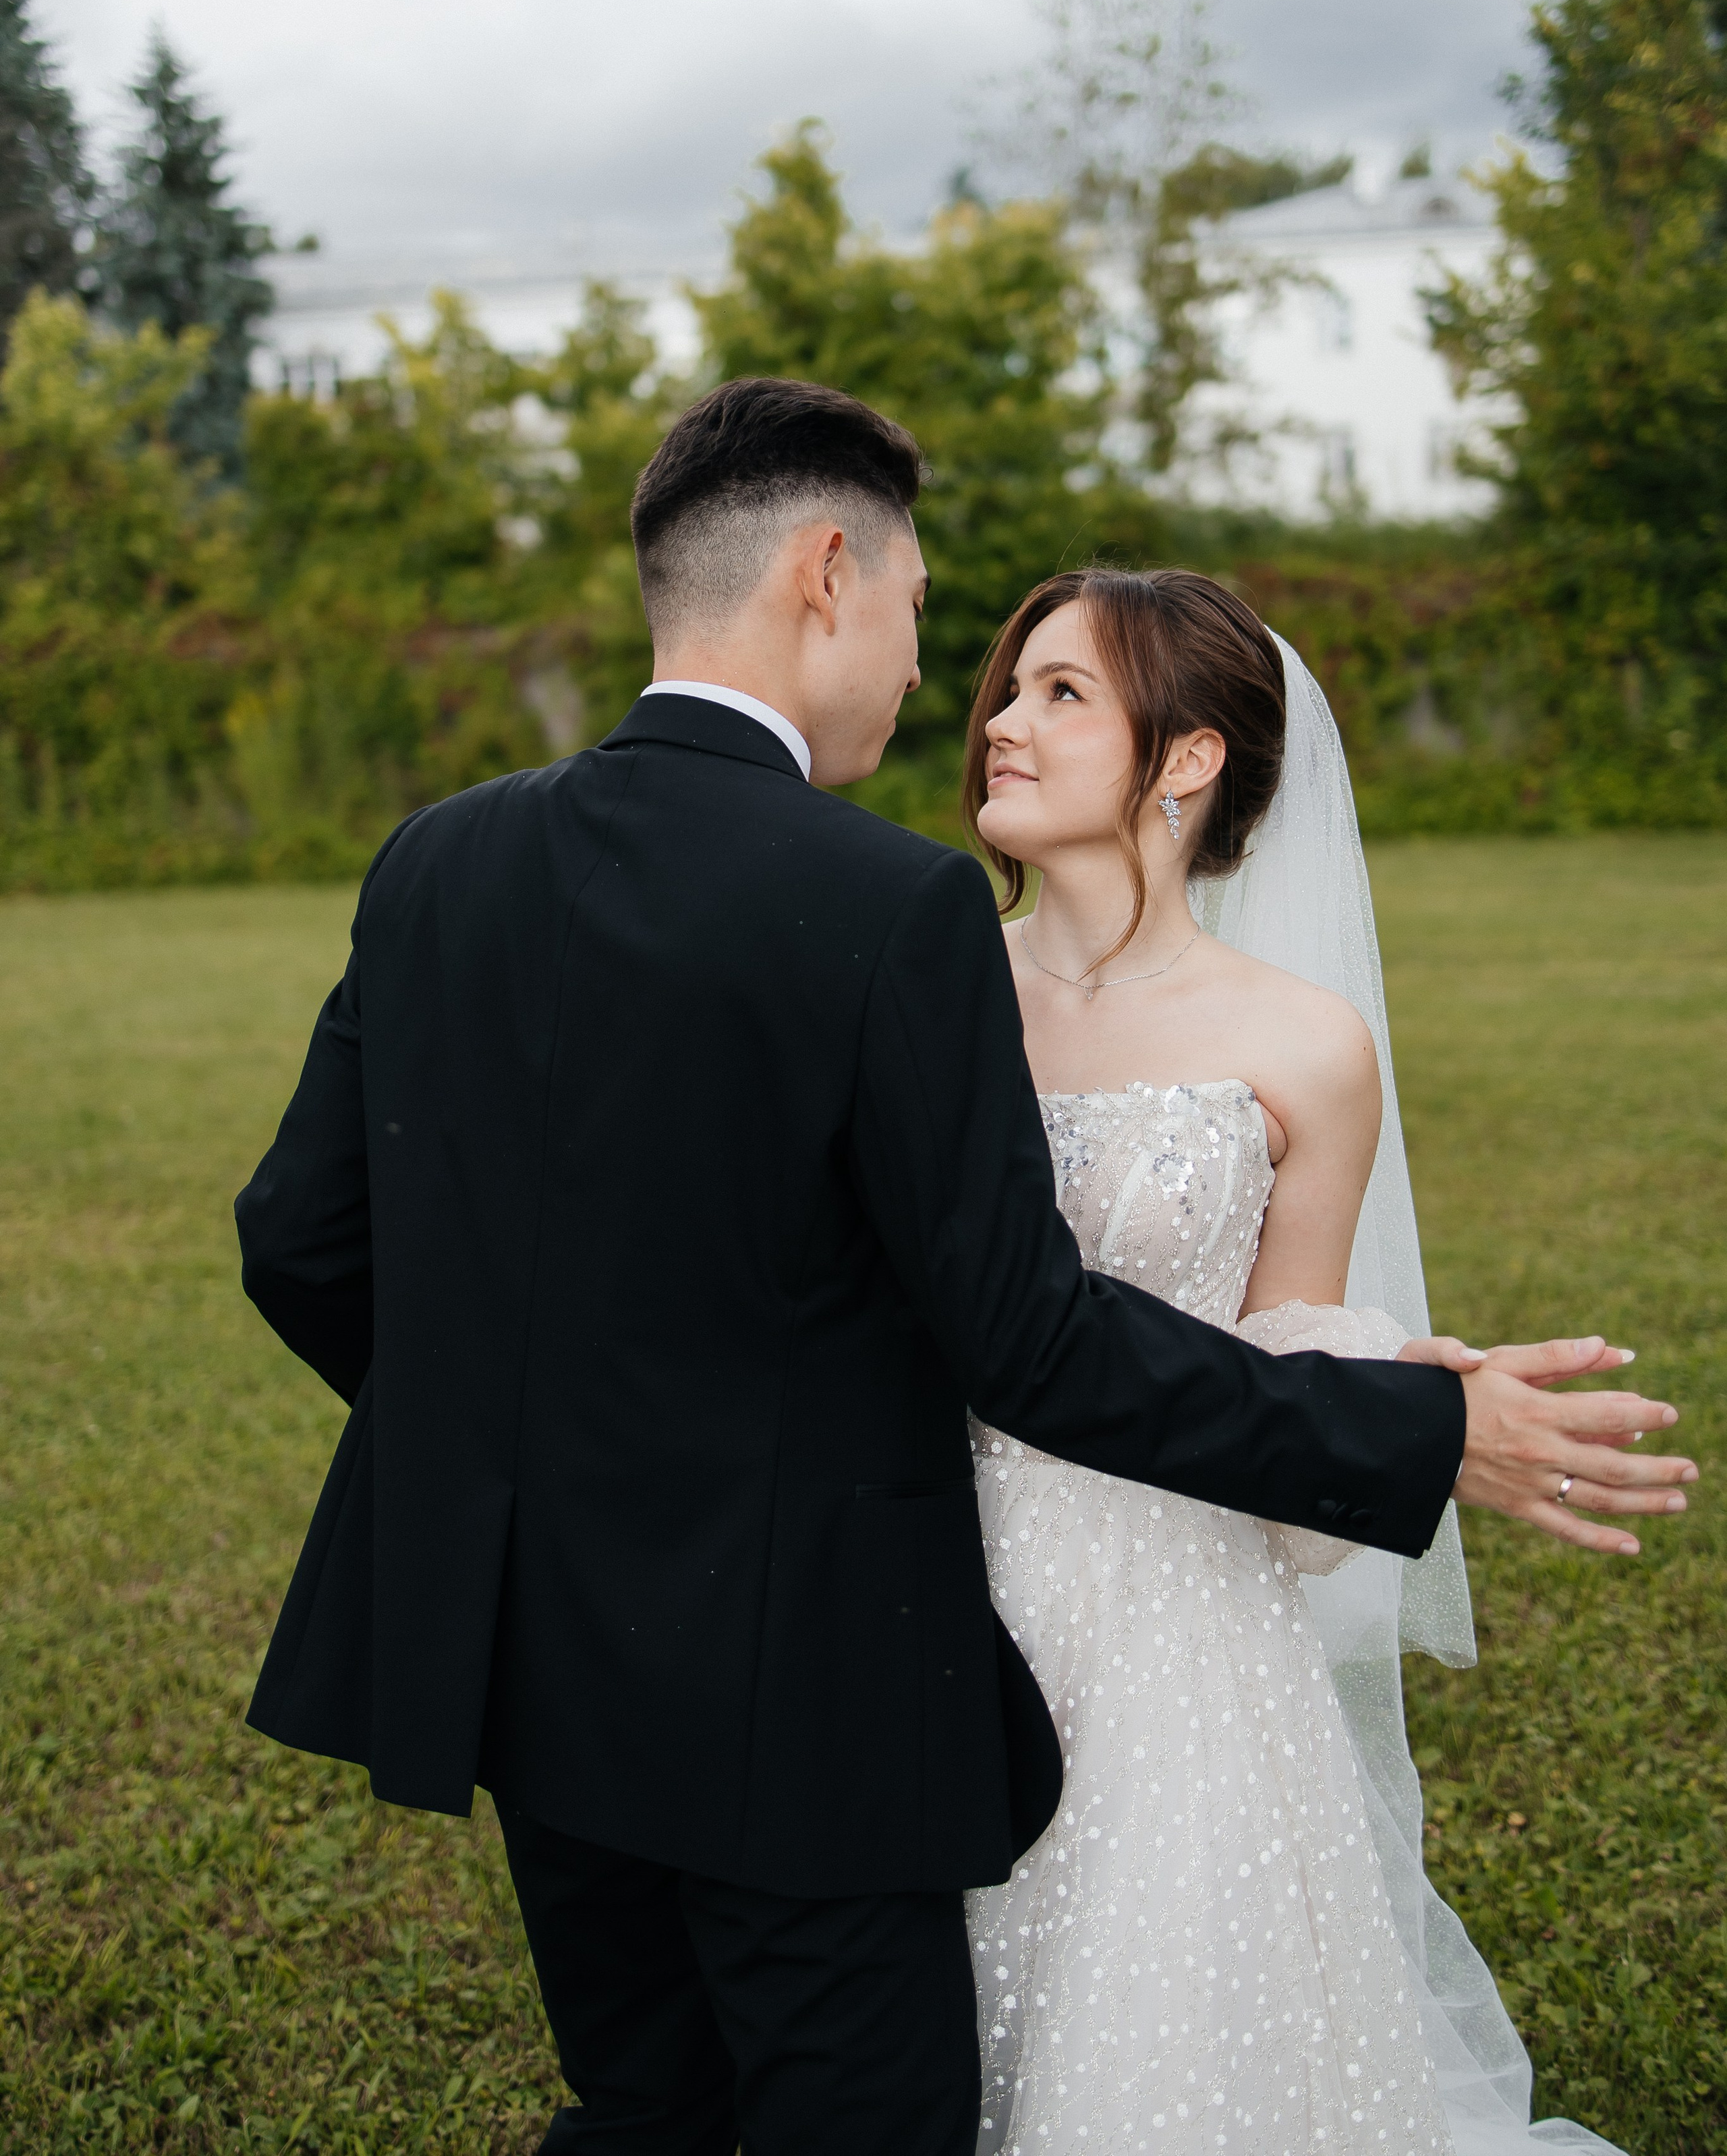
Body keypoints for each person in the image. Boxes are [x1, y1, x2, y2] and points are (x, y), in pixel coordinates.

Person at [233, 379, 1691, 2156]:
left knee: (652, 2096)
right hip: (816, 1666)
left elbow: (301, 1238)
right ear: (828, 577)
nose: (946, 682)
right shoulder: (886, 909)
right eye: (936, 618)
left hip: (562, 1670)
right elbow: (1025, 1334)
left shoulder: (434, 859)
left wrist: (542, 1449)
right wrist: (1409, 1430)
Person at [961, 566, 1658, 2155]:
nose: (998, 720)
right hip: (926, 1563)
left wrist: (1395, 1391)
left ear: (1185, 759)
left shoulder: (1301, 1046)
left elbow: (1281, 1343)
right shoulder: (924, 986)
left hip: (1173, 1623)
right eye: (1008, 687)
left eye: (1060, 692)